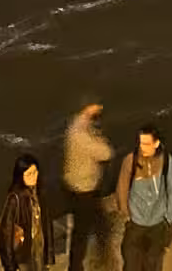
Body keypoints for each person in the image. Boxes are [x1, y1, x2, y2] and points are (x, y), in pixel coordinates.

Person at [115, 124, 172, 269]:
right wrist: (126, 213)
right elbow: (122, 187)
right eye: (141, 143)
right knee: (131, 262)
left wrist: (168, 217)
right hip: (136, 222)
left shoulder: (166, 160)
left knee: (152, 263)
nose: (142, 147)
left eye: (147, 144)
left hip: (158, 222)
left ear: (156, 143)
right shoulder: (131, 160)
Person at [62, 101, 113, 270]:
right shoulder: (85, 139)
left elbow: (79, 121)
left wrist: (88, 114)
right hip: (85, 190)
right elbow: (106, 153)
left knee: (92, 224)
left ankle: (90, 259)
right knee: (84, 231)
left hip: (73, 187)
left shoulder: (75, 128)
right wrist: (99, 137)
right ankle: (78, 266)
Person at [0, 155, 56, 271]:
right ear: (20, 176)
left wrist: (49, 256)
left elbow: (47, 224)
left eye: (35, 172)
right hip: (23, 256)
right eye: (29, 174)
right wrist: (11, 266)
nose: (34, 176)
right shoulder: (15, 199)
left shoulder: (40, 194)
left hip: (39, 250)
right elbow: (6, 234)